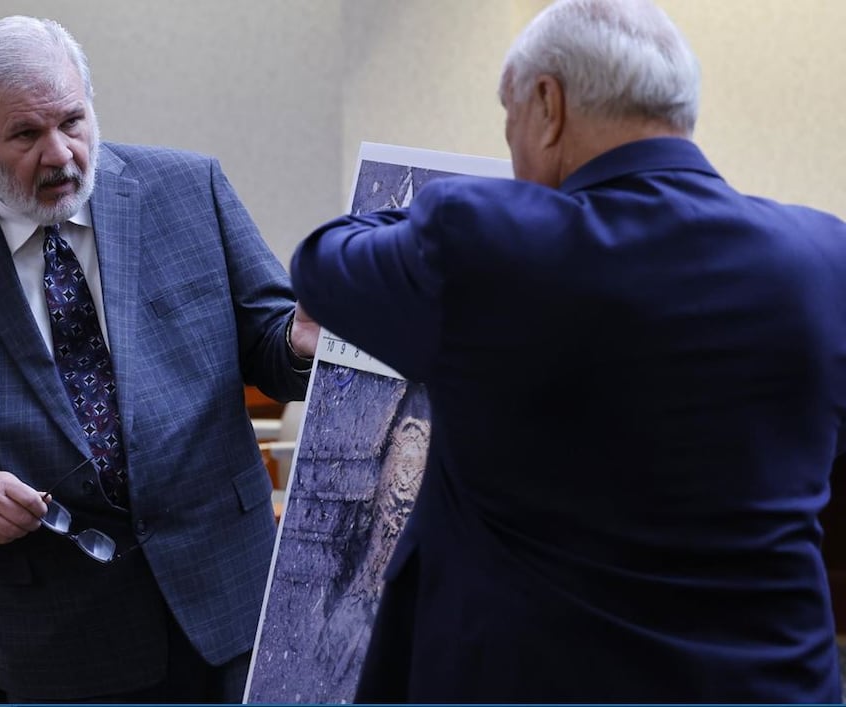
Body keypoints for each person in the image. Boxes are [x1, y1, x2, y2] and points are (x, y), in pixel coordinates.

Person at [291, 0, 845, 701]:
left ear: (548, 104)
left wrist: (444, 216)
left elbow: (321, 261)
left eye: (509, 115)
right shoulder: (826, 257)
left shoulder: (490, 244)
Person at [0, 16, 316, 703]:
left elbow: (270, 343)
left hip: (232, 603)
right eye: (26, 135)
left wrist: (302, 341)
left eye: (73, 120)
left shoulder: (191, 189)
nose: (61, 154)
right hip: (59, 640)